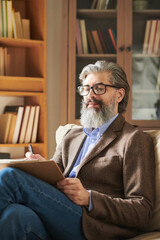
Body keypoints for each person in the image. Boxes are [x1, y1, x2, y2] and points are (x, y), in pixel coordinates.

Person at [0, 61, 155, 240]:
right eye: (86, 89)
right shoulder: (71, 136)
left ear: (119, 94)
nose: (90, 95)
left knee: (11, 177)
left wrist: (89, 198)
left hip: (92, 226)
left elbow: (142, 211)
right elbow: (52, 182)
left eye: (99, 88)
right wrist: (40, 167)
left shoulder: (134, 139)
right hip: (59, 216)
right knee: (15, 216)